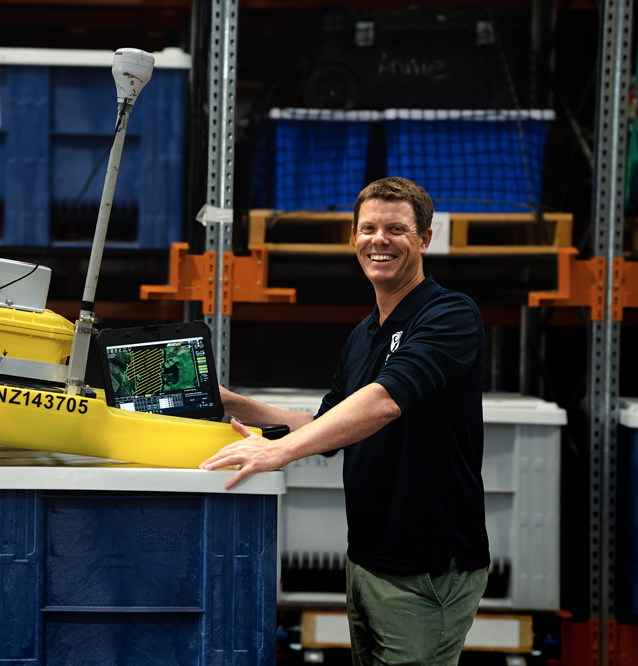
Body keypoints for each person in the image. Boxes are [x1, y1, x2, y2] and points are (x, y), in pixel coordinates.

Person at [201, 177, 490, 665]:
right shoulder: (362, 335)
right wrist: (231, 402)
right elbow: (327, 425)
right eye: (368, 228)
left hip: (427, 567)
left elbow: (385, 402)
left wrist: (277, 452)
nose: (379, 240)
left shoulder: (450, 314)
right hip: (367, 558)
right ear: (353, 237)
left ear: (424, 238)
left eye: (396, 229)